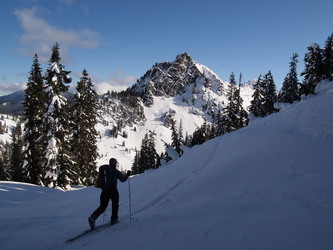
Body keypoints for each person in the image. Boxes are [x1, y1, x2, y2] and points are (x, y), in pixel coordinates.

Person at [88, 158, 131, 229]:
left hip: (104, 190)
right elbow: (123, 179)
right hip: (113, 190)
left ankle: (93, 217)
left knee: (103, 206)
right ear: (114, 163)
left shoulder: (104, 170)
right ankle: (114, 219)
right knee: (115, 204)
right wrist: (127, 175)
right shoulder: (115, 171)